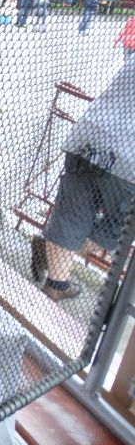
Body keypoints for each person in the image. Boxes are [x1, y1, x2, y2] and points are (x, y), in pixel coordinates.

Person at [31, 58, 135, 301]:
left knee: (72, 215)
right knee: (118, 228)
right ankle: (51, 253)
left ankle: (56, 283)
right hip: (128, 158)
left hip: (88, 136)